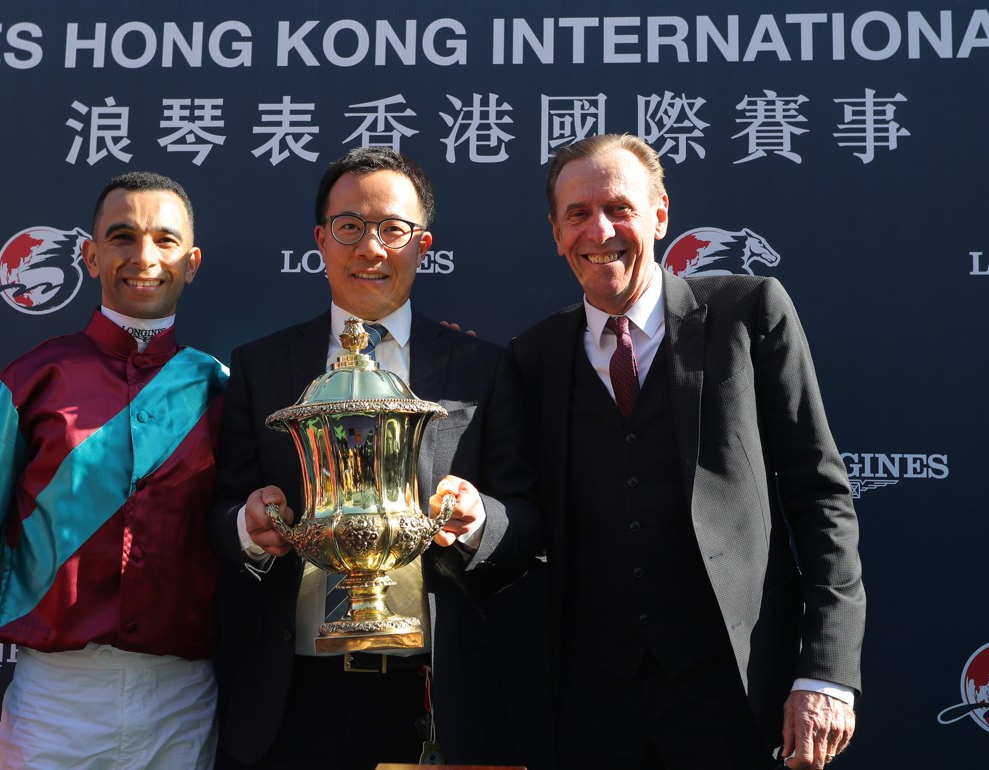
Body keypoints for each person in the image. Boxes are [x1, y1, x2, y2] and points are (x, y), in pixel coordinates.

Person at [509, 134, 864, 770]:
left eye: (620, 208)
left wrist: (825, 673)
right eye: (578, 214)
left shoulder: (748, 312)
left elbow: (821, 496)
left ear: (660, 214)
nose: (601, 230)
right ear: (556, 233)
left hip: (738, 692)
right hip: (590, 707)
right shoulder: (533, 357)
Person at [207, 146, 544, 769]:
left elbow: (525, 517)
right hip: (291, 693)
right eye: (350, 227)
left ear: (423, 243)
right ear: (321, 239)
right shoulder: (261, 365)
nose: (371, 248)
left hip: (431, 693)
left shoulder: (482, 369)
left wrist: (480, 521)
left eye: (393, 229)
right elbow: (222, 511)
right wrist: (249, 527)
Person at [0, 171, 227, 770]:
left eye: (165, 241)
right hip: (54, 702)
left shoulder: (218, 388)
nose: (144, 257)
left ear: (191, 262)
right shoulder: (30, 381)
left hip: (185, 702)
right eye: (122, 237)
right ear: (89, 256)